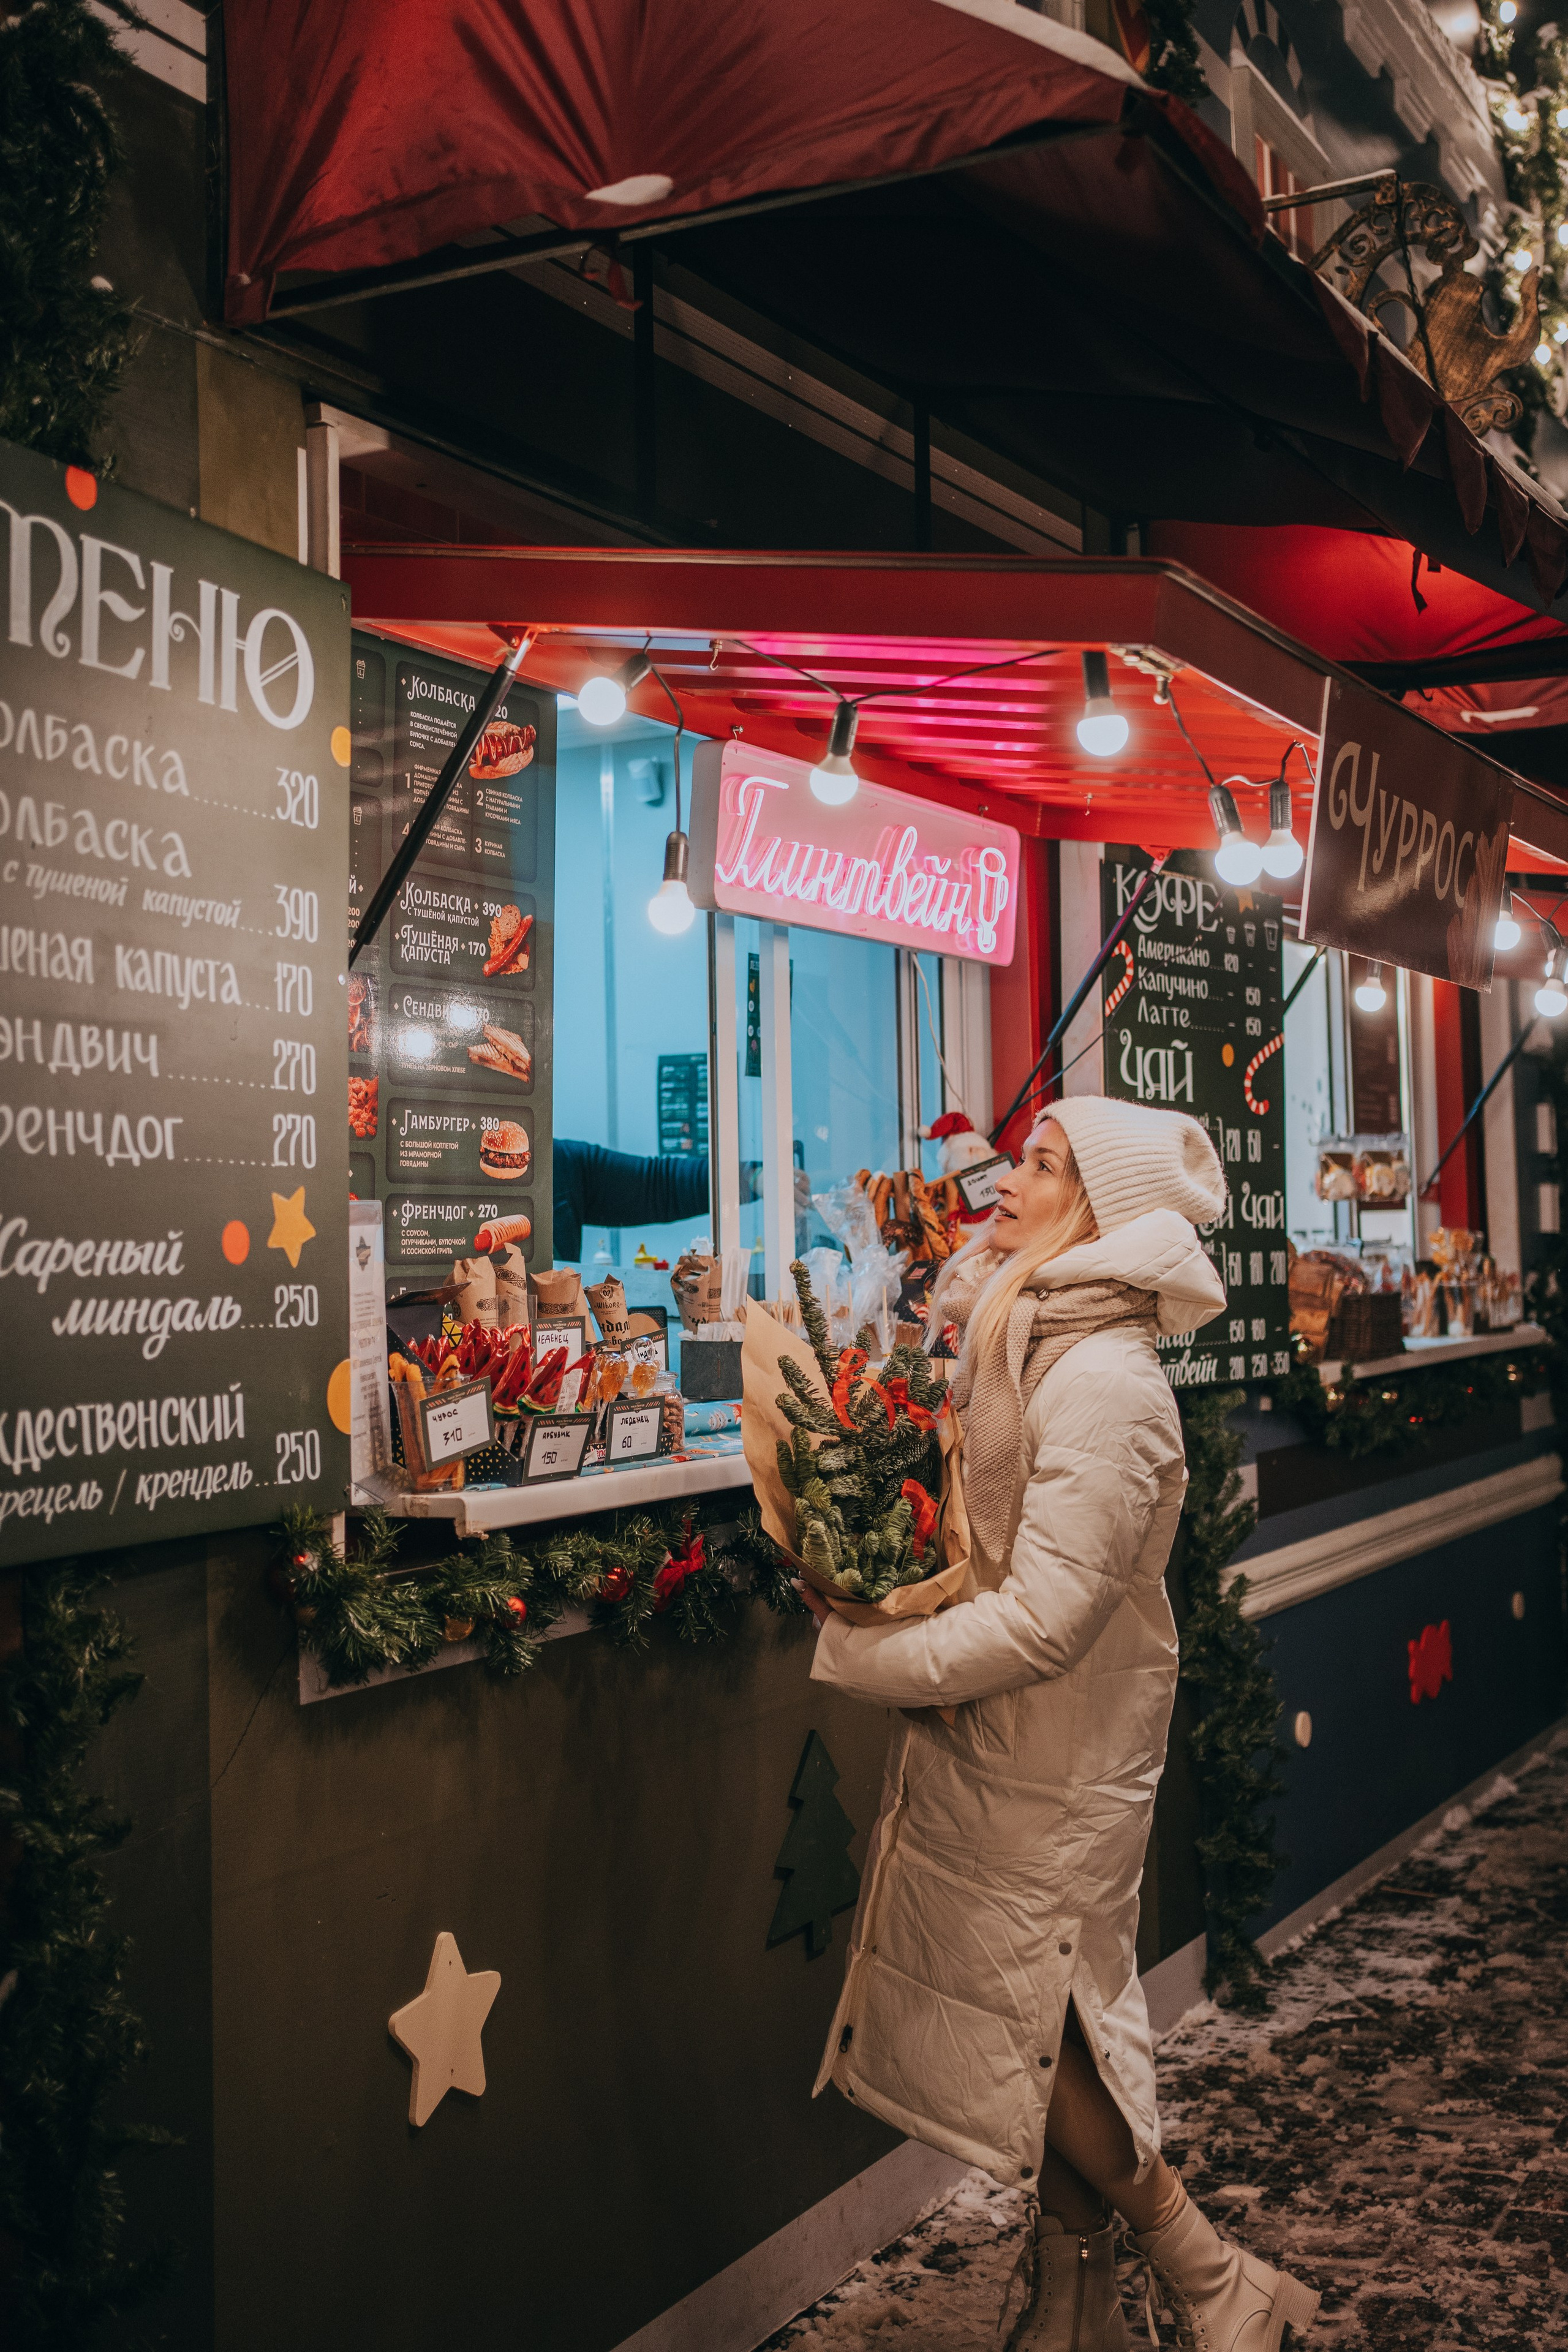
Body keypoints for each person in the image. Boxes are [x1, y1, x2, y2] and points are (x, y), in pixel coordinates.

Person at [795, 1098, 1320, 2352]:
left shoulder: (1102, 1381)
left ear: (1097, 1203)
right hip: (1012, 1744)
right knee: (1055, 2019)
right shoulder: (1030, 1330)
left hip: (1053, 1749)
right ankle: (1072, 2307)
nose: (1007, 1177)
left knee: (1034, 2031)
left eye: (1041, 1163)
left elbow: (1040, 1621)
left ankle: (1204, 2274)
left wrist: (864, 1651)